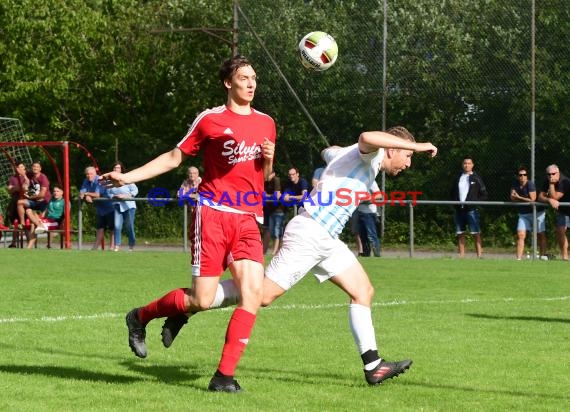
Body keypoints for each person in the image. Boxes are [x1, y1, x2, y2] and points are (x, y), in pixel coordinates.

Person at [161, 126, 438, 386]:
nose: (409, 162)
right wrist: (418, 144)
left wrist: (335, 154)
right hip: (310, 233)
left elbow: (328, 152)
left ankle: (373, 365)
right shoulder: (371, 153)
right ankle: (187, 308)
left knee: (363, 290)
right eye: (408, 155)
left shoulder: (366, 163)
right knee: (261, 295)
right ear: (392, 149)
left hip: (327, 239)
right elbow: (367, 136)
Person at [101, 55, 276, 393]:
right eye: (244, 78)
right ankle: (140, 317)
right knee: (201, 299)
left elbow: (264, 177)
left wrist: (269, 160)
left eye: (254, 77)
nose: (252, 83)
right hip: (212, 215)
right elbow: (173, 157)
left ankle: (223, 377)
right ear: (229, 83)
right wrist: (127, 176)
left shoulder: (267, 122)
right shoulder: (211, 120)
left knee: (253, 294)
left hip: (249, 219)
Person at [450, 156, 487, 258]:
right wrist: (455, 203)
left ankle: (479, 256)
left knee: (476, 233)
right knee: (460, 233)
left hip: (471, 210)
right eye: (465, 163)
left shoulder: (476, 178)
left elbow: (484, 194)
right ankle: (461, 255)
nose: (467, 165)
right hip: (459, 210)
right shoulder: (458, 177)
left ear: (472, 165)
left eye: (469, 163)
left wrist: (474, 203)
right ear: (462, 165)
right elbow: (452, 192)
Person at [510, 166, 547, 260]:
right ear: (517, 176)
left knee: (540, 234)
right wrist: (518, 198)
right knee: (520, 234)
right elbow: (512, 197)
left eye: (524, 174)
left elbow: (532, 199)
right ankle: (518, 259)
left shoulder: (530, 184)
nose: (522, 176)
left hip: (537, 213)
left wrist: (519, 198)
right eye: (520, 175)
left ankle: (542, 256)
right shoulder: (515, 184)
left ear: (527, 176)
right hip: (523, 214)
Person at [537, 164, 570, 261]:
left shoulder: (565, 181)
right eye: (548, 174)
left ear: (558, 173)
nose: (551, 176)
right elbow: (540, 197)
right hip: (564, 211)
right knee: (560, 231)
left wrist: (551, 185)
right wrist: (549, 200)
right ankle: (565, 257)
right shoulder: (547, 180)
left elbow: (555, 197)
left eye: (553, 174)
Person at [80, 166, 115, 250]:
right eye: (87, 174)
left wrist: (87, 194)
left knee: (112, 228)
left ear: (95, 173)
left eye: (91, 174)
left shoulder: (101, 179)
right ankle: (95, 247)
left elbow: (97, 194)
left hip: (110, 206)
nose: (89, 176)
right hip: (100, 208)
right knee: (100, 227)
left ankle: (112, 247)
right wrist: (85, 195)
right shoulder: (86, 181)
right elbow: (81, 192)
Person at [107, 161, 138, 252]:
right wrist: (114, 196)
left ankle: (131, 245)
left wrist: (125, 196)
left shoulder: (126, 179)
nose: (116, 169)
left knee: (129, 226)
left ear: (121, 169)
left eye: (118, 168)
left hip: (129, 206)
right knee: (117, 225)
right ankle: (117, 245)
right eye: (115, 168)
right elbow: (108, 193)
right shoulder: (110, 181)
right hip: (117, 205)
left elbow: (135, 190)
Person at [25, 185, 65, 249]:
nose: (55, 193)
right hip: (46, 220)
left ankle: (28, 248)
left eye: (57, 191)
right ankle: (39, 225)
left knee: (33, 225)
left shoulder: (64, 202)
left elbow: (66, 215)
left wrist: (63, 224)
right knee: (29, 210)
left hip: (55, 221)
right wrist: (40, 218)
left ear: (62, 192)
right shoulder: (51, 200)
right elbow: (45, 211)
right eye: (54, 191)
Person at [16, 161, 51, 228]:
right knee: (20, 202)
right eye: (34, 166)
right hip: (34, 201)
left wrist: (30, 197)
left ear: (40, 168)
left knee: (46, 218)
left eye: (37, 167)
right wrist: (18, 168)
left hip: (44, 202)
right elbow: (22, 172)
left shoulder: (43, 178)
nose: (35, 168)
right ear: (31, 168)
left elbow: (42, 195)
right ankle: (22, 224)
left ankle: (44, 227)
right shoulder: (30, 175)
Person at [6, 160, 30, 247]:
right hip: (15, 201)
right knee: (16, 222)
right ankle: (13, 242)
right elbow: (9, 189)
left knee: (26, 222)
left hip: (24, 201)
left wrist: (18, 187)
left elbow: (26, 187)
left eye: (22, 167)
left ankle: (29, 243)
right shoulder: (13, 178)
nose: (21, 169)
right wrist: (17, 188)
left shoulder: (27, 177)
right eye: (19, 167)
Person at [262, 171, 284, 255]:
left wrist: (267, 195)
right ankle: (264, 251)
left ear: (273, 174)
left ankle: (275, 252)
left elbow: (277, 195)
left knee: (277, 231)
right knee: (268, 230)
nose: (267, 175)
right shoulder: (265, 181)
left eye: (269, 174)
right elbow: (261, 194)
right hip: (269, 209)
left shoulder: (276, 180)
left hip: (278, 209)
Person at [358, 180, 382, 257]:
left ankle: (377, 256)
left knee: (371, 236)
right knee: (363, 236)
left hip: (369, 213)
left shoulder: (371, 181)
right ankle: (366, 256)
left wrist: (366, 200)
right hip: (359, 211)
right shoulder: (357, 181)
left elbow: (379, 195)